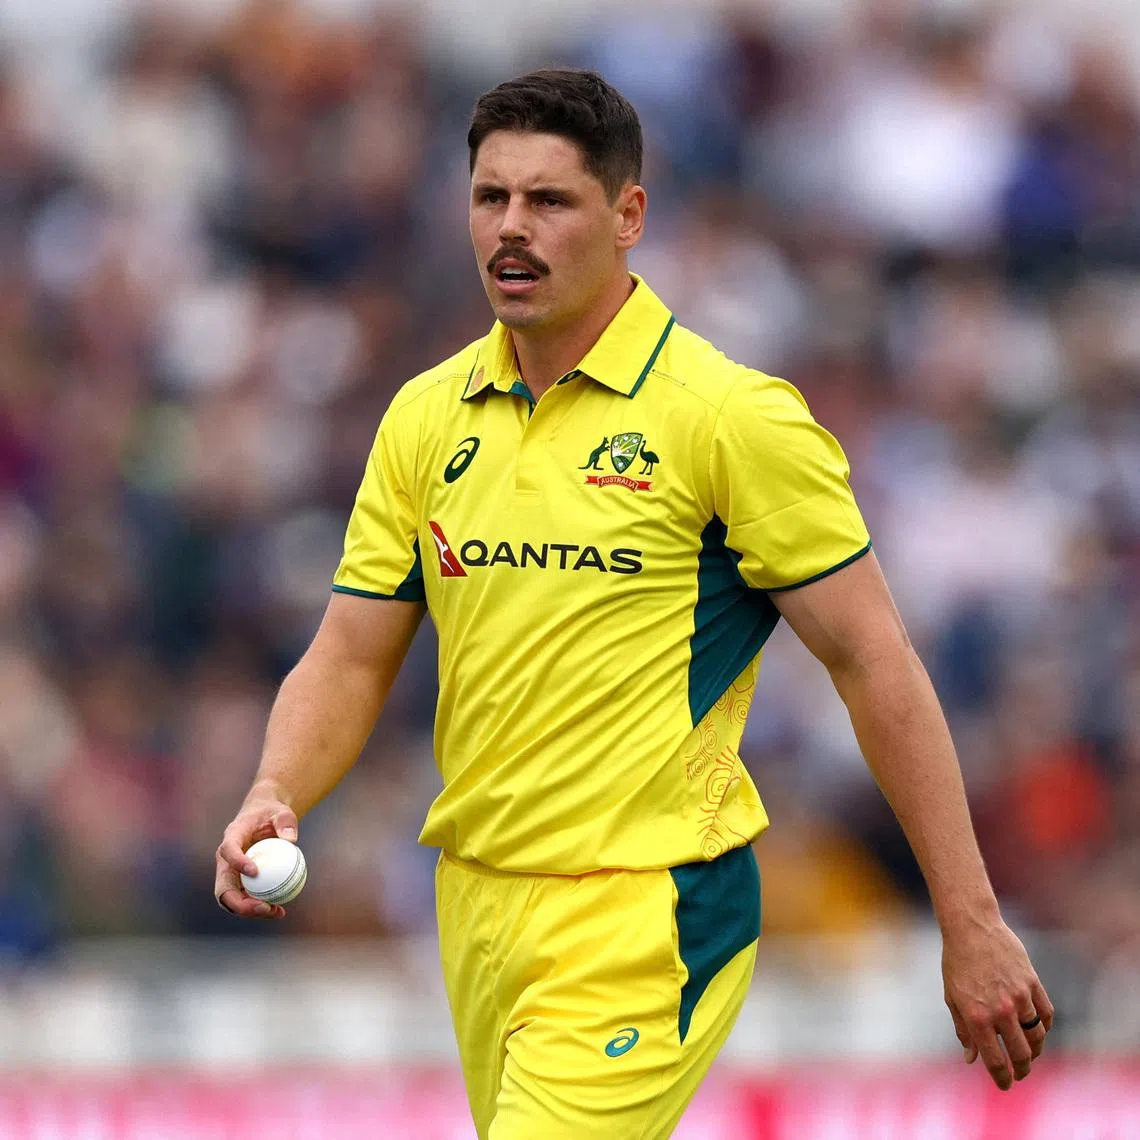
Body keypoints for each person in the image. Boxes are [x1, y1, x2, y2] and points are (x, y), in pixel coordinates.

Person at [215, 68, 1054, 1138]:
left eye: (550, 201)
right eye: (490, 198)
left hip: (651, 909)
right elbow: (349, 655)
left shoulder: (728, 419)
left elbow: (873, 662)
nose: (511, 229)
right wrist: (274, 786)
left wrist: (969, 918)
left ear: (628, 216)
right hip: (476, 904)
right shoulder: (426, 418)